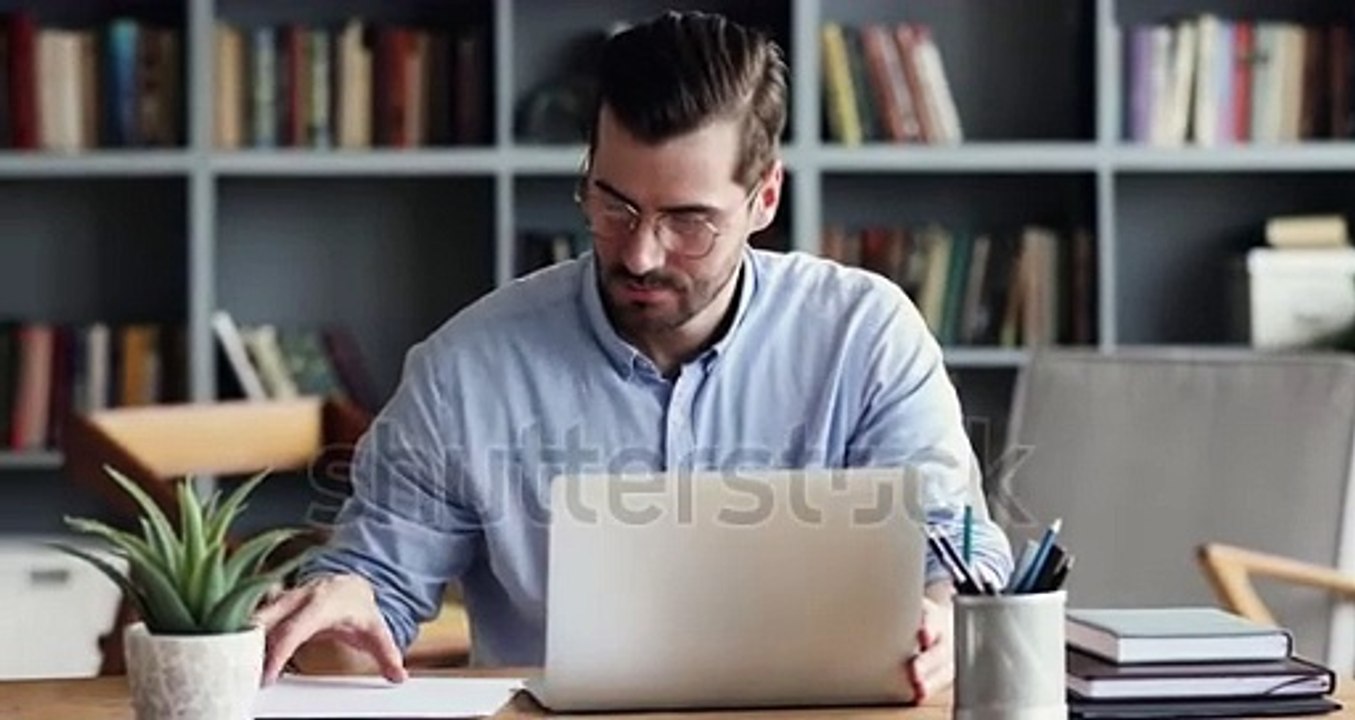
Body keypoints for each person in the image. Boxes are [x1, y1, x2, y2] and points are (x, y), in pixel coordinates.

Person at [254, 10, 1012, 701]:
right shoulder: (467, 370)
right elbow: (371, 589)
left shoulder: (865, 336)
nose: (642, 254)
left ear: (765, 198)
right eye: (613, 204)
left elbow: (961, 551)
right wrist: (344, 601)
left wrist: (944, 616)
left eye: (689, 221)